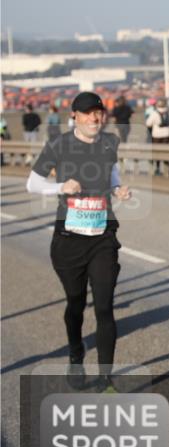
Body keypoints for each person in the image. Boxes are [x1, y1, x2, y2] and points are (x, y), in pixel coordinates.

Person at [25, 91, 132, 393]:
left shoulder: (110, 142)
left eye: (97, 112)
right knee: (75, 303)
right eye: (86, 113)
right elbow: (32, 183)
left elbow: (112, 175)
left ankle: (106, 380)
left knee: (104, 307)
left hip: (102, 237)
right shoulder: (59, 144)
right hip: (69, 240)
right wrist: (62, 186)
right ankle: (75, 351)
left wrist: (118, 190)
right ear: (74, 116)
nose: (93, 118)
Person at [146, 99, 169, 176]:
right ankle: (167, 169)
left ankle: (157, 168)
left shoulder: (154, 113)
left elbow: (148, 123)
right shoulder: (167, 113)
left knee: (157, 152)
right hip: (166, 135)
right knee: (166, 152)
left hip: (156, 135)